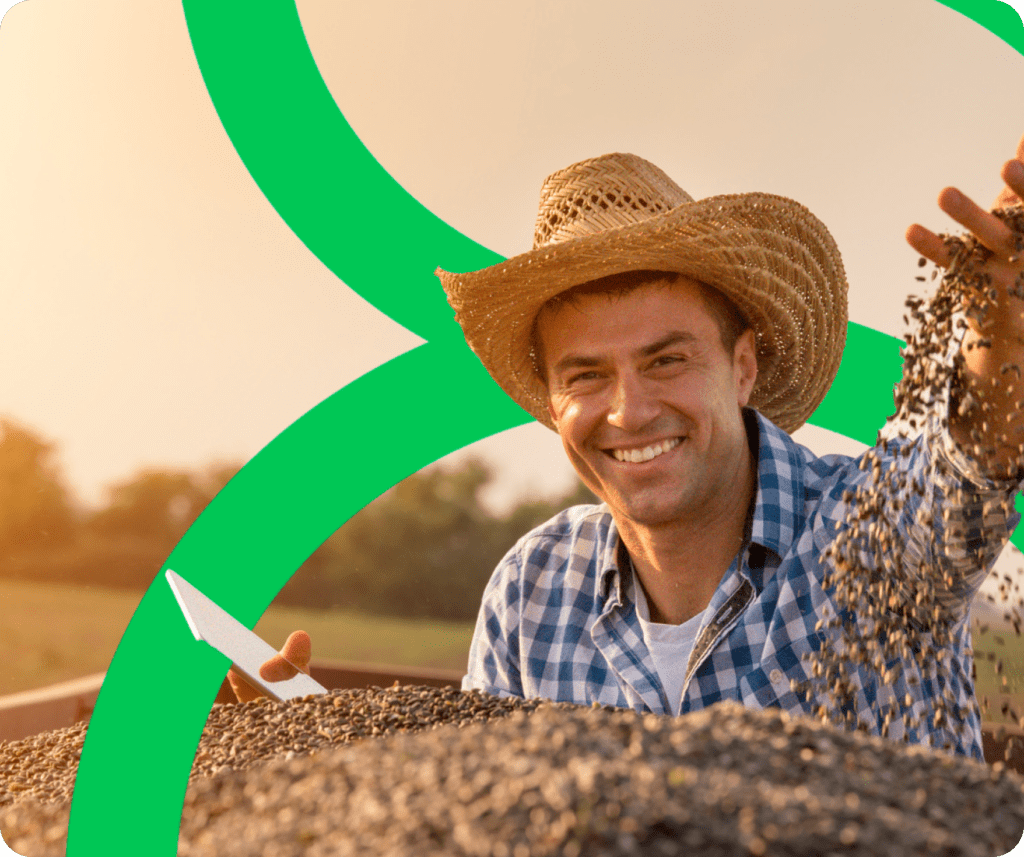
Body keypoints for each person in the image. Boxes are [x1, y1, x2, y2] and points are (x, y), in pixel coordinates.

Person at [233, 139, 1024, 761]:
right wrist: (312, 749)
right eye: (586, 375)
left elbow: (959, 475)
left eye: (666, 359)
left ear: (742, 365)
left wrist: (1001, 346)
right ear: (552, 402)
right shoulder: (531, 589)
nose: (628, 410)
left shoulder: (868, 534)